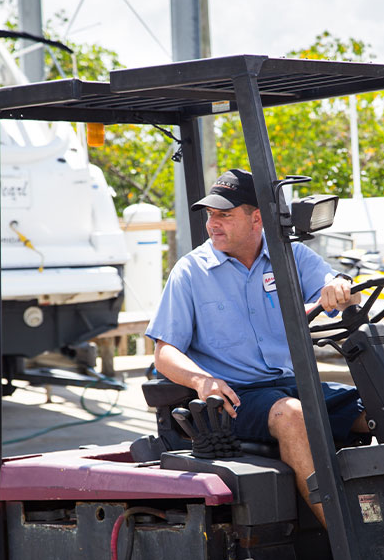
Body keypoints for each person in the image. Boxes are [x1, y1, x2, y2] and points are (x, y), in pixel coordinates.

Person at [146, 169, 368, 526]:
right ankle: (348, 542)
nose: (213, 224)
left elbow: (342, 287)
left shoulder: (290, 256)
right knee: (292, 414)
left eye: (224, 215)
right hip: (237, 399)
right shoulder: (191, 272)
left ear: (257, 218)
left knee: (381, 406)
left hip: (294, 386)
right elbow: (164, 352)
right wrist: (202, 380)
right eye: (211, 215)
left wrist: (341, 289)